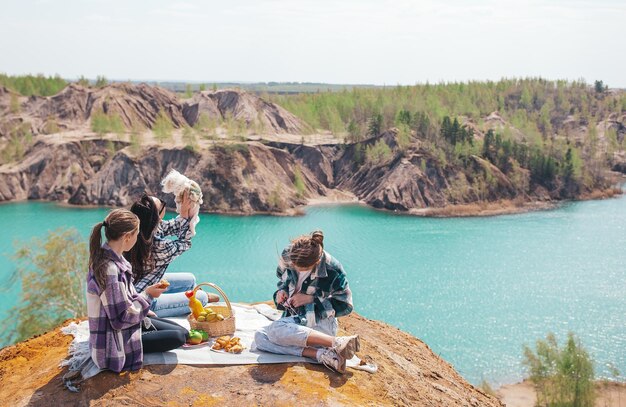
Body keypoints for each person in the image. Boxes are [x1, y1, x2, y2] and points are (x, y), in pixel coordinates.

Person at [86, 209, 188, 372]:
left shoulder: (113, 259)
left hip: (122, 328)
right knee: (178, 337)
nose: (137, 239)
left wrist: (146, 298)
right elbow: (120, 318)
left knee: (184, 332)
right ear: (127, 237)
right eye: (136, 234)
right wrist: (148, 295)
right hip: (112, 345)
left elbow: (125, 299)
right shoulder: (109, 269)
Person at [254, 230, 360, 374]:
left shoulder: (333, 269)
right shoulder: (288, 255)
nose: (296, 269)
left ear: (316, 262)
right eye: (294, 265)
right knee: (260, 337)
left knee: (274, 331)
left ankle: (336, 342)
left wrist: (311, 299)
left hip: (319, 322)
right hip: (293, 321)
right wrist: (282, 292)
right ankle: (323, 354)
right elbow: (282, 281)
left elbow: (345, 305)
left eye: (303, 269)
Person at [126, 193, 217, 317]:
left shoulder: (140, 228)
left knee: (190, 279)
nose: (165, 205)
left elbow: (169, 226)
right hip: (143, 301)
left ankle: (190, 294)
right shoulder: (159, 246)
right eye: (162, 205)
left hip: (139, 285)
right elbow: (184, 242)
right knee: (200, 298)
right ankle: (202, 296)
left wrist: (184, 213)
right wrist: (187, 215)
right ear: (156, 217)